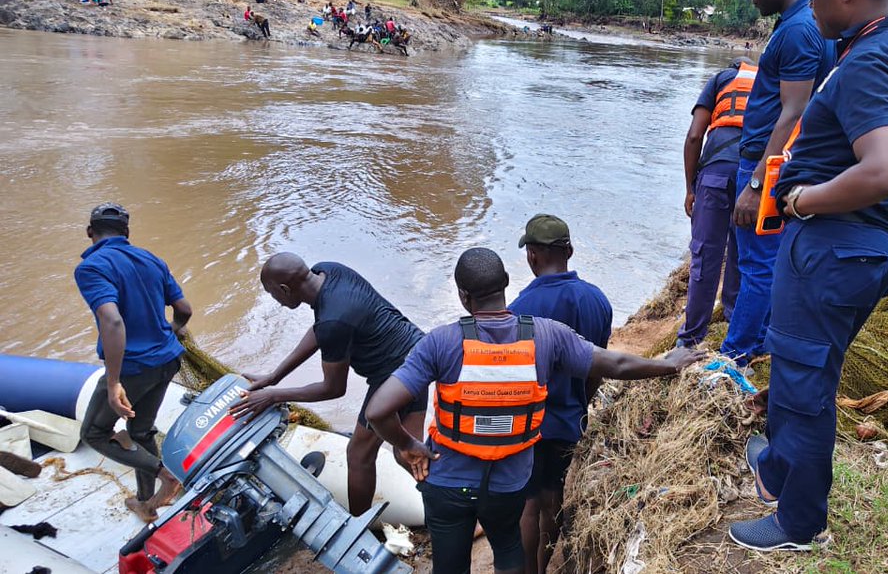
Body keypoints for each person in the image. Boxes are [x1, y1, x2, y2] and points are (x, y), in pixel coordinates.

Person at [729, 0, 888, 552]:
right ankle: (776, 465)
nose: (809, 0)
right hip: (870, 244)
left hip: (831, 246)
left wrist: (801, 201)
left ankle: (798, 521)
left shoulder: (870, 62)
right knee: (812, 369)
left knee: (801, 384)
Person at [365, 248, 704, 574]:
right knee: (509, 549)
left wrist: (408, 445)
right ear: (507, 282)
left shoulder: (440, 342)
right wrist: (669, 365)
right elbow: (613, 362)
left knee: (450, 564)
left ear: (463, 295)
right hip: (508, 484)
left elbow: (379, 411)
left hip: (448, 482)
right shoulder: (546, 335)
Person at [230, 254, 426, 516]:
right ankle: (469, 512)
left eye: (274, 294)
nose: (275, 301)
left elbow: (333, 388)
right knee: (409, 454)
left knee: (358, 455)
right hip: (418, 353)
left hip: (394, 375)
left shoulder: (334, 321)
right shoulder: (330, 272)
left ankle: (357, 531)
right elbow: (321, 328)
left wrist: (272, 395)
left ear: (285, 289)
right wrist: (274, 376)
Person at [722, 0, 834, 366]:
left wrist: (755, 183)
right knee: (765, 262)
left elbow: (794, 111)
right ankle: (762, 345)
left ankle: (734, 358)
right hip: (773, 162)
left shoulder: (801, 30)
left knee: (757, 266)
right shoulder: (799, 23)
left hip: (766, 165)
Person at [509, 216, 613, 574]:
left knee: (528, 504)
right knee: (554, 496)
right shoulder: (597, 301)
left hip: (530, 424)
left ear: (532, 256)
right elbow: (598, 364)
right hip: (570, 419)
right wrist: (580, 403)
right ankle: (547, 563)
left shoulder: (519, 309)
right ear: (568, 251)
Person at [74, 203, 190, 522]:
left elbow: (112, 323)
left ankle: (166, 476)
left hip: (135, 369)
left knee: (95, 433)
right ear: (127, 232)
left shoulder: (92, 267)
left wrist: (113, 383)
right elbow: (184, 309)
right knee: (140, 432)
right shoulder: (152, 259)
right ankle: (146, 502)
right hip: (168, 361)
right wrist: (173, 331)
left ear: (90, 233)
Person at [677, 59, 755, 349]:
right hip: (754, 176)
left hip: (716, 174)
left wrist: (689, 189)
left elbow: (695, 135)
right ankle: (734, 326)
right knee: (741, 254)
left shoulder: (719, 79)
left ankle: (690, 338)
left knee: (705, 257)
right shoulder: (770, 81)